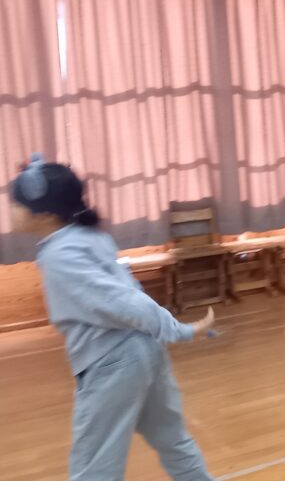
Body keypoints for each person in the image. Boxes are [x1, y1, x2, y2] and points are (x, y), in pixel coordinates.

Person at [9, 156, 216, 481]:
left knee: (94, 469)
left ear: (45, 214)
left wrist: (179, 330)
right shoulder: (88, 236)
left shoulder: (60, 255)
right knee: (173, 441)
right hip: (145, 352)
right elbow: (126, 293)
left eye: (16, 204)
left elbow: (122, 300)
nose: (11, 209)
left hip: (113, 364)